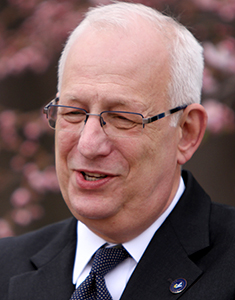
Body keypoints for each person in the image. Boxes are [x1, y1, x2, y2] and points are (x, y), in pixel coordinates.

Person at [1, 2, 235, 299]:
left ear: (186, 132)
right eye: (73, 112)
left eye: (122, 118)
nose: (88, 144)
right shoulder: (5, 267)